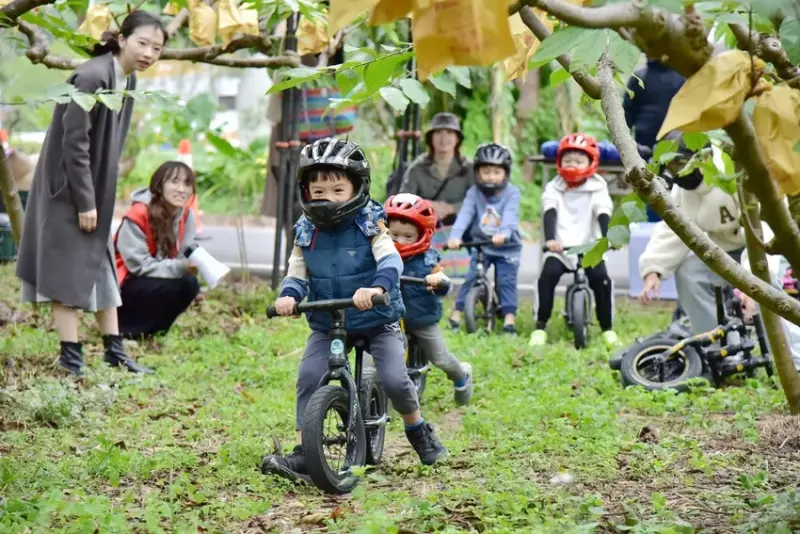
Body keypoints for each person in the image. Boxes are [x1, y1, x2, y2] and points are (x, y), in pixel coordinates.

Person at [261, 138, 447, 482]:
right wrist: (289, 296)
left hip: (377, 319)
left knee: (394, 378)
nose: (327, 198)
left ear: (357, 188)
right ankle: (304, 451)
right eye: (318, 191)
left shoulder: (370, 221)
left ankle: (417, 429)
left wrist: (377, 288)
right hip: (329, 320)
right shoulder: (305, 230)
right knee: (308, 377)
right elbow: (297, 270)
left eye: (337, 190)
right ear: (306, 191)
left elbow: (390, 258)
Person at [15, 11, 166, 376]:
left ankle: (114, 350)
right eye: (142, 42)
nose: (148, 52)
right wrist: (86, 201)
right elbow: (74, 143)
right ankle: (71, 359)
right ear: (122, 38)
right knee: (64, 273)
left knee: (99, 265)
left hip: (90, 191)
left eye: (157, 48)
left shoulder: (124, 79)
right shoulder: (93, 76)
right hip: (67, 192)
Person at [638, 132, 772, 335]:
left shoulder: (733, 174)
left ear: (705, 157)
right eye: (672, 167)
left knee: (773, 291)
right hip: (724, 253)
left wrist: (752, 284)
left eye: (682, 164)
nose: (679, 173)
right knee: (689, 273)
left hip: (765, 251)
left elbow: (764, 230)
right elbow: (674, 229)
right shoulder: (682, 192)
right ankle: (718, 348)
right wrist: (653, 270)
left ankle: (793, 357)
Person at [384, 193, 474, 406]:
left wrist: (438, 280)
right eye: (394, 235)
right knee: (378, 356)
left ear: (423, 235)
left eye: (408, 236)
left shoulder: (427, 259)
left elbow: (443, 281)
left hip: (421, 317)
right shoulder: (380, 255)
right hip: (389, 318)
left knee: (440, 357)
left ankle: (461, 375)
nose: (400, 241)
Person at [529, 133, 618, 348]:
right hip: (561, 246)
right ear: (559, 162)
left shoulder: (598, 186)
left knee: (602, 280)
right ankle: (540, 327)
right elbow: (549, 210)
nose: (572, 165)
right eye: (567, 160)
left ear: (591, 162)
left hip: (591, 246)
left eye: (578, 160)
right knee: (547, 276)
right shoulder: (554, 186)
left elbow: (602, 212)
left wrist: (607, 238)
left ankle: (607, 329)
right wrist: (551, 240)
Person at [114, 161, 201, 339]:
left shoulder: (186, 215)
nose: (181, 189)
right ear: (159, 185)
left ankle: (154, 331)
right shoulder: (137, 214)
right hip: (125, 281)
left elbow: (186, 249)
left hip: (153, 275)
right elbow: (138, 266)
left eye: (187, 184)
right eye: (174, 182)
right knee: (169, 283)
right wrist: (179, 267)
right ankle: (126, 331)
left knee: (189, 283)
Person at [447, 143, 522, 334]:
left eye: (496, 172)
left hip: (507, 247)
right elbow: (464, 215)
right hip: (483, 246)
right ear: (477, 173)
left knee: (506, 281)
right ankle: (457, 313)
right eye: (486, 171)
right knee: (471, 277)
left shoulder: (512, 193)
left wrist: (504, 233)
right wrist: (455, 236)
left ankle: (509, 319)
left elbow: (510, 216)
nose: (491, 176)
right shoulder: (474, 193)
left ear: (505, 173)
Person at [623, 59, 686, 223]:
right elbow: (626, 114)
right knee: (649, 189)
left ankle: (676, 228)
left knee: (677, 189)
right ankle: (649, 229)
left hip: (676, 146)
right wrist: (627, 144)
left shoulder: (682, 76)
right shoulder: (639, 77)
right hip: (645, 146)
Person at [399, 112, 474, 226]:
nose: (443, 138)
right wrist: (426, 205)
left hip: (463, 231)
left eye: (449, 132)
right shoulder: (417, 167)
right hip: (424, 228)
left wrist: (452, 208)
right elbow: (402, 200)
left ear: (457, 138)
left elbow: (480, 201)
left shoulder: (469, 168)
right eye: (438, 132)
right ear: (431, 138)